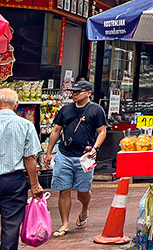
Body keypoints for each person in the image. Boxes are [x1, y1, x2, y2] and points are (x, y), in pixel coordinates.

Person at [44, 80, 107, 237]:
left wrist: (95, 148)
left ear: (88, 93)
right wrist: (49, 153)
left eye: (78, 92)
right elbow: (56, 130)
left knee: (82, 191)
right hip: (64, 154)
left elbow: (102, 131)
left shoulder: (96, 110)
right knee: (64, 190)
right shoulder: (65, 110)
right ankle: (65, 224)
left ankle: (85, 207)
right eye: (72, 92)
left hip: (85, 157)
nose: (74, 94)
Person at [0, 88, 45, 250]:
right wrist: (35, 185)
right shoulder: (26, 125)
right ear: (16, 105)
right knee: (11, 225)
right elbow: (30, 158)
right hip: (14, 181)